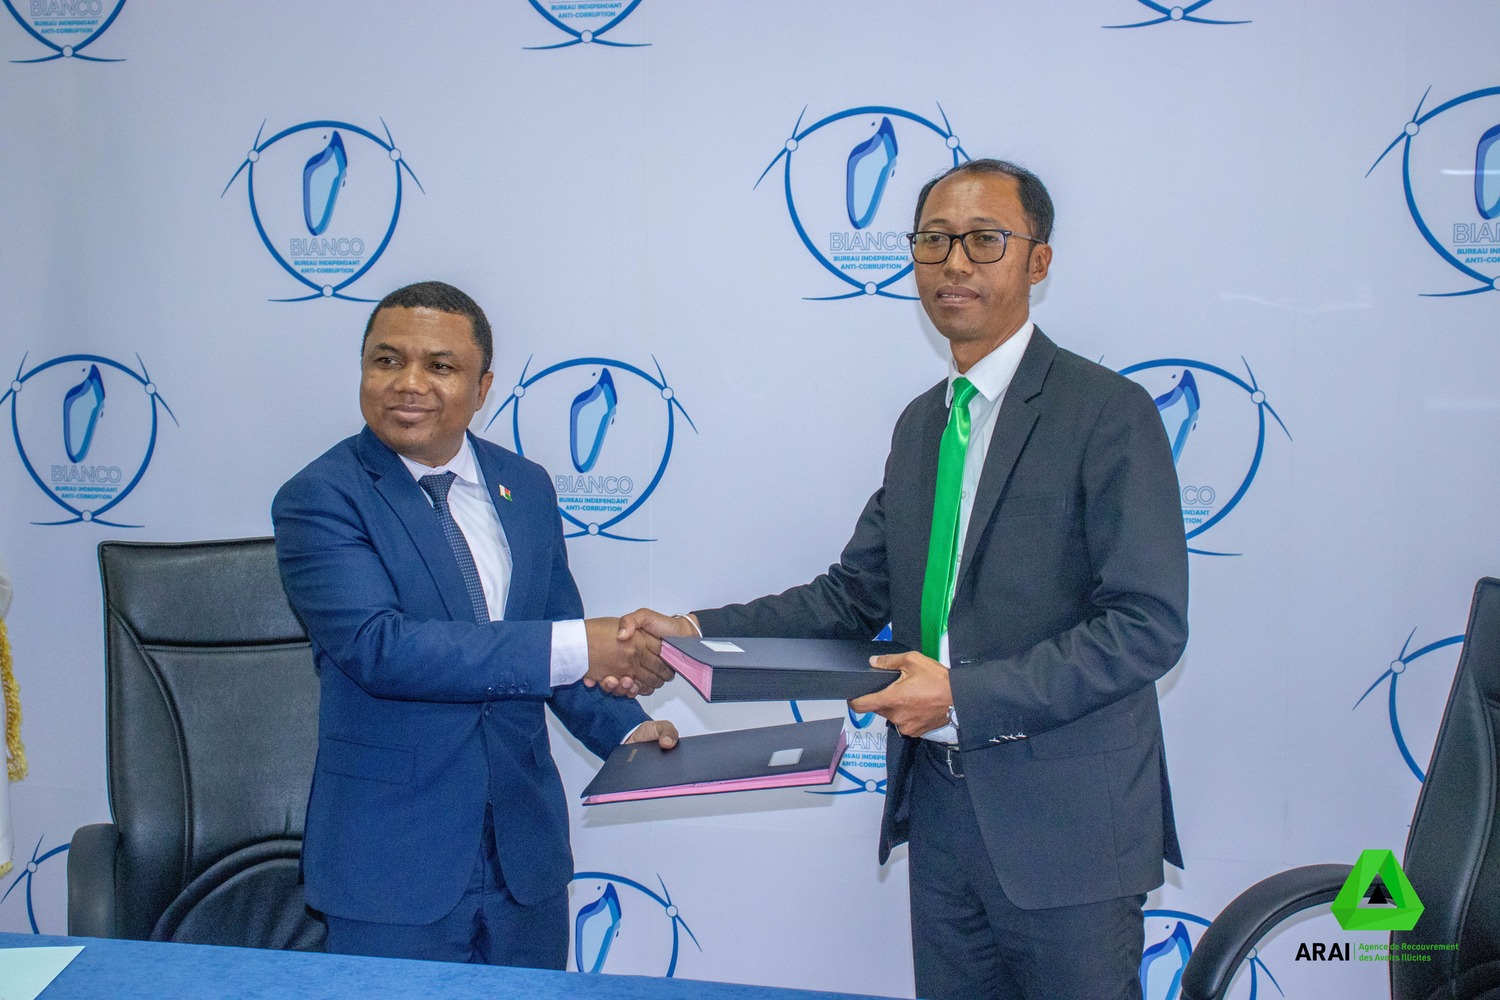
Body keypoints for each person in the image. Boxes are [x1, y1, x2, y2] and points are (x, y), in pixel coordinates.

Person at [621, 160, 1189, 1000]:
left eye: (984, 240)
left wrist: (961, 696)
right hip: (943, 816)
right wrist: (695, 633)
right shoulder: (924, 424)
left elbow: (1146, 625)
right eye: (933, 240)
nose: (954, 262)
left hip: (1070, 829)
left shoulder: (1107, 412)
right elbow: (851, 597)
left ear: (1038, 261)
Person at [273, 280, 677, 968]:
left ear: (483, 387)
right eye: (386, 360)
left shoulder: (527, 486)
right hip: (392, 866)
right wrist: (579, 644)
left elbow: (553, 644)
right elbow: (381, 649)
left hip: (525, 862)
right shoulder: (320, 497)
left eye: (440, 365)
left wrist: (629, 732)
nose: (409, 383)